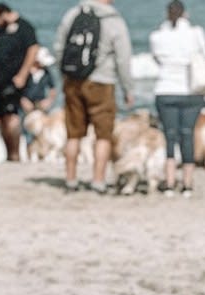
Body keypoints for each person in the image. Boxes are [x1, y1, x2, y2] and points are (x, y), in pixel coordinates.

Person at [54, 0, 134, 193]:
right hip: (102, 82)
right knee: (103, 134)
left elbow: (59, 48)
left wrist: (63, 75)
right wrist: (128, 88)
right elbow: (123, 57)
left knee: (73, 133)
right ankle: (98, 180)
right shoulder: (113, 19)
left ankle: (71, 179)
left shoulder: (72, 14)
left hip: (73, 81)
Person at [150, 1, 205, 197]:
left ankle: (169, 182)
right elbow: (204, 55)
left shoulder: (157, 36)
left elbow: (157, 60)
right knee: (187, 134)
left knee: (169, 135)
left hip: (165, 90)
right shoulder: (196, 33)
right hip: (191, 91)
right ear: (185, 14)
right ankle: (187, 183)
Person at [0, 4, 39, 161]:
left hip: (15, 79)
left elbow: (33, 49)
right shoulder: (1, 29)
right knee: (2, 117)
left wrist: (23, 74)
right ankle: (8, 154)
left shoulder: (24, 27)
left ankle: (15, 154)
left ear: (4, 14)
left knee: (12, 116)